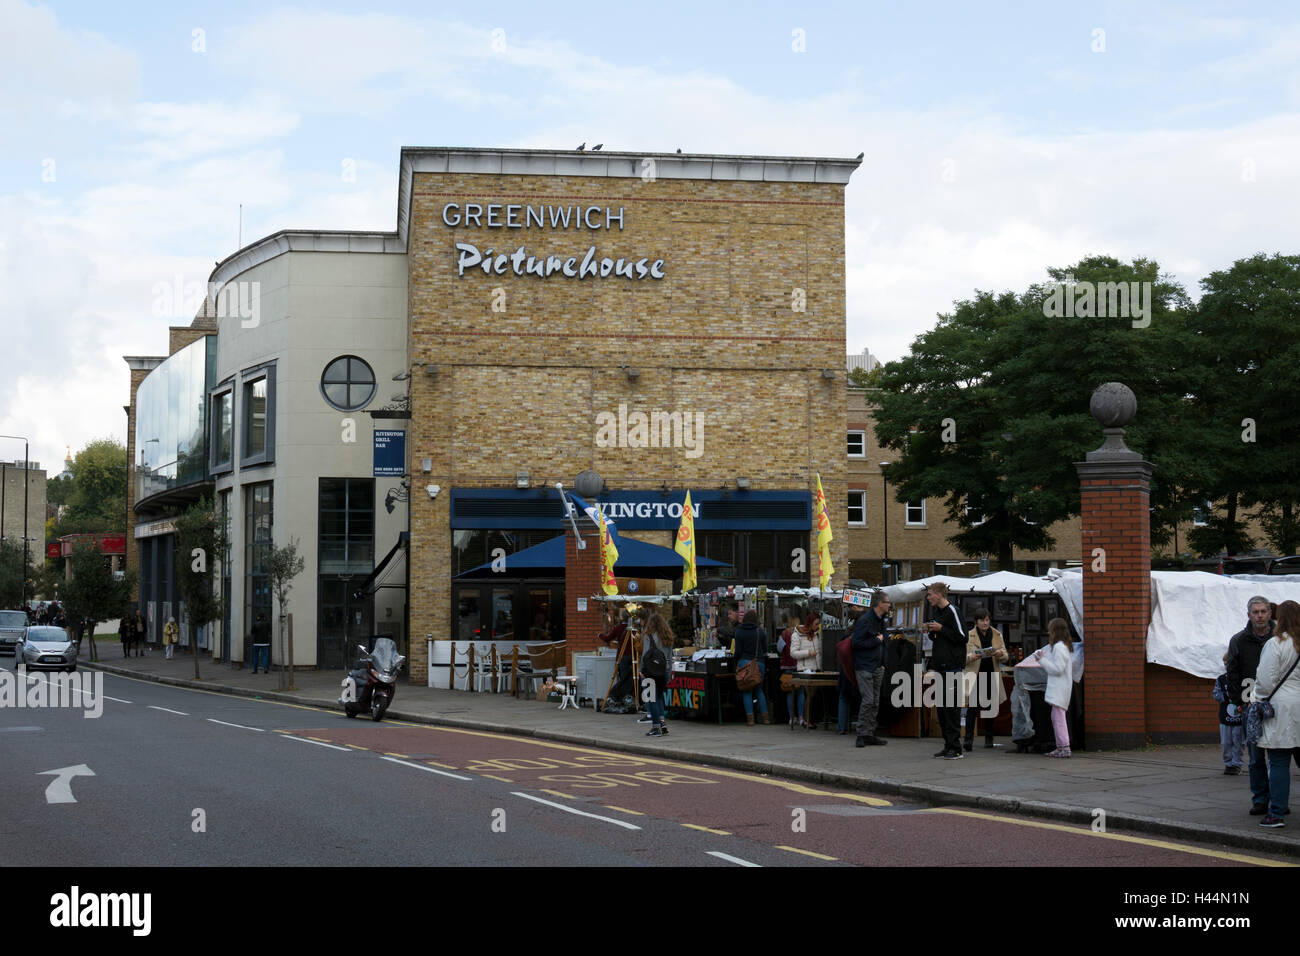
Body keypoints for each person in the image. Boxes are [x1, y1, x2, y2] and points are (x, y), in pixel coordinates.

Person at [1226, 595, 1275, 815]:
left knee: (1281, 755)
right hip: (1251, 704)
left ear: (1270, 613)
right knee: (1255, 757)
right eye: (1255, 612)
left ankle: (1279, 799)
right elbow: (1232, 672)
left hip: (1280, 704)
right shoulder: (1238, 640)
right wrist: (1239, 701)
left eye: (1263, 611)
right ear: (1249, 615)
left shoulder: (1282, 638)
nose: (1260, 616)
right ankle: (1260, 799)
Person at [1253, 601, 1300, 828]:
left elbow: (1265, 680)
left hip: (1282, 707)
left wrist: (1262, 698)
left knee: (1279, 761)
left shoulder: (1276, 643)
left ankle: (1277, 814)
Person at [924, 582, 967, 759]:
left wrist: (942, 629)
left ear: (940, 594)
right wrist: (931, 632)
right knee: (942, 709)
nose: (928, 598)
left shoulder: (953, 611)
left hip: (952, 667)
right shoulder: (937, 613)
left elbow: (962, 637)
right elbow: (939, 638)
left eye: (930, 594)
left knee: (952, 708)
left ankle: (956, 748)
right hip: (940, 666)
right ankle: (948, 744)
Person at [964, 607, 1009, 751]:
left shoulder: (997, 634)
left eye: (987, 620)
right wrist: (972, 656)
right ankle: (968, 739)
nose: (985, 623)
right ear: (976, 622)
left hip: (991, 674)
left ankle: (989, 738)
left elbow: (1006, 656)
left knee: (990, 707)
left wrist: (999, 653)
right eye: (982, 620)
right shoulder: (969, 635)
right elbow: (962, 658)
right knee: (972, 708)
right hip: (975, 675)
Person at [850, 593, 890, 747]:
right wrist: (875, 641)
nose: (889, 605)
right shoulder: (865, 620)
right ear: (879, 603)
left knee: (875, 702)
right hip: (865, 666)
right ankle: (861, 734)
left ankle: (869, 733)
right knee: (868, 700)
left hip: (877, 666)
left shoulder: (880, 621)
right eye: (887, 602)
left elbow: (885, 642)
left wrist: (883, 663)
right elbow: (856, 643)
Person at [1034, 618, 1075, 758]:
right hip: (1062, 688)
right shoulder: (1063, 646)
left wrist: (1042, 660)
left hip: (1059, 688)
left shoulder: (1059, 647)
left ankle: (1064, 747)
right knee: (1057, 717)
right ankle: (1062, 746)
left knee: (1058, 719)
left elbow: (1057, 669)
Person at [733, 609, 770, 726]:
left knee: (747, 691)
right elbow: (765, 649)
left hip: (744, 663)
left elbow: (737, 651)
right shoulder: (760, 631)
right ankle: (765, 718)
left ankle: (750, 719)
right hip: (759, 663)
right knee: (759, 690)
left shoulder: (739, 631)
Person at [641, 612, 672, 737]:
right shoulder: (668, 636)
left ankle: (655, 727)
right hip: (664, 670)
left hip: (650, 671)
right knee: (659, 697)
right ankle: (662, 723)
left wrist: (641, 670)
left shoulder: (649, 636)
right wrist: (668, 672)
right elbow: (670, 657)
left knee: (651, 699)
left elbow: (645, 655)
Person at [1213, 653, 1245, 776]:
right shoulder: (1221, 679)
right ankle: (1228, 763)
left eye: (1230, 663)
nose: (1228, 666)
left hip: (1238, 718)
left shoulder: (1243, 679)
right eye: (1226, 664)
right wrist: (1224, 696)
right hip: (1225, 717)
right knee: (1226, 742)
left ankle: (1236, 764)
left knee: (1238, 742)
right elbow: (1216, 694)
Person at [791, 612, 823, 727]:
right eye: (816, 624)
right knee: (810, 694)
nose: (817, 626)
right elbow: (793, 653)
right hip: (805, 669)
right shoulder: (797, 635)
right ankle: (806, 719)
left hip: (816, 668)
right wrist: (808, 653)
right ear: (810, 623)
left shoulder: (817, 634)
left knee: (813, 696)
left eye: (818, 624)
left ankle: (809, 719)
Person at [599, 608, 634, 703]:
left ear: (622, 617)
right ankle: (631, 695)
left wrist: (600, 635)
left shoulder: (618, 628)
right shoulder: (634, 629)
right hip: (634, 656)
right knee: (632, 677)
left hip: (622, 656)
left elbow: (607, 639)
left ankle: (621, 696)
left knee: (623, 677)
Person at [777, 612, 802, 727]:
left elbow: (779, 648)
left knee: (789, 692)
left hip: (787, 666)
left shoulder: (783, 634)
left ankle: (792, 718)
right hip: (799, 666)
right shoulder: (801, 633)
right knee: (800, 692)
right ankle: (801, 717)